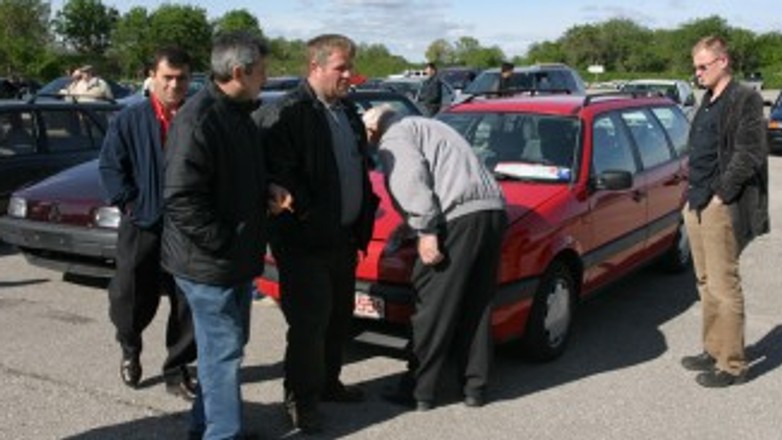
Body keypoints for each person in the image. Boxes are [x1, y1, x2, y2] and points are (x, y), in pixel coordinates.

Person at [255, 33, 379, 433]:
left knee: (338, 318)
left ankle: (328, 384)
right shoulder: (288, 112)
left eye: (350, 67)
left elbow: (356, 166)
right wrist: (308, 214)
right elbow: (276, 173)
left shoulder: (346, 111)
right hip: (303, 240)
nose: (349, 75)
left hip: (342, 238)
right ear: (316, 67)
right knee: (309, 325)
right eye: (341, 67)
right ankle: (301, 401)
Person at [362, 105, 506, 410]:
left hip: (458, 220)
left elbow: (410, 177)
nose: (368, 143)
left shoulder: (394, 136)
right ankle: (474, 387)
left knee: (433, 306)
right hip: (492, 212)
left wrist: (425, 229)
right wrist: (410, 225)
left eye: (366, 135)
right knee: (476, 305)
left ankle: (420, 391)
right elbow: (444, 173)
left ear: (374, 129)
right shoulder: (430, 127)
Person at [162, 32, 269, 440]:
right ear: (239, 71)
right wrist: (225, 242)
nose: (266, 77)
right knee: (223, 354)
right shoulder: (200, 119)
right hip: (210, 263)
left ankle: (204, 426)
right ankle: (222, 434)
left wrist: (268, 188)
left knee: (220, 351)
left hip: (231, 259)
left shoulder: (237, 113)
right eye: (262, 70)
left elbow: (237, 179)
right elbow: (182, 198)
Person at [98, 47, 197, 400]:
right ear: (152, 77)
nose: (174, 85)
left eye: (181, 78)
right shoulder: (130, 119)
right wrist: (131, 205)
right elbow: (110, 167)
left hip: (188, 229)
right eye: (167, 77)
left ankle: (178, 368)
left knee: (187, 302)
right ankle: (130, 346)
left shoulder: (199, 117)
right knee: (130, 294)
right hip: (143, 224)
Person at [680, 35, 769, 388]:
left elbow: (749, 153)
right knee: (705, 283)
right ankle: (714, 348)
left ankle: (733, 365)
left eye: (703, 66)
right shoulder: (708, 99)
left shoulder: (745, 98)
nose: (697, 73)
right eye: (695, 67)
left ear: (723, 61)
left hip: (720, 205)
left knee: (723, 284)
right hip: (696, 201)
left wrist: (721, 195)